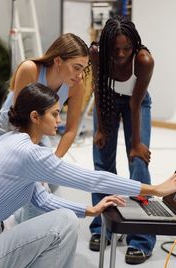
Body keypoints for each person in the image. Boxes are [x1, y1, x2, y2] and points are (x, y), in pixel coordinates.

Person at [0, 82, 176, 268]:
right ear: (35, 117)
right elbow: (92, 180)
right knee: (65, 221)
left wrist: (90, 210)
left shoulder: (10, 139)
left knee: (44, 215)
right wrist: (155, 189)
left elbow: (41, 199)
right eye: (54, 114)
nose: (59, 120)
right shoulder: (29, 153)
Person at [0, 33, 90, 222]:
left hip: (37, 133)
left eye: (83, 69)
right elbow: (21, 122)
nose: (80, 75)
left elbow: (71, 130)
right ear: (58, 60)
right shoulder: (30, 69)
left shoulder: (76, 85)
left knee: (44, 188)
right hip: (9, 131)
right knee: (12, 190)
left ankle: (23, 236)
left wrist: (52, 163)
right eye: (76, 67)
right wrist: (39, 167)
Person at [89, 15, 155, 264]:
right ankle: (101, 227)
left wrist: (137, 144)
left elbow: (135, 102)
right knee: (102, 161)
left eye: (126, 48)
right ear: (106, 45)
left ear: (134, 46)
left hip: (136, 105)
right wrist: (101, 130)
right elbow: (97, 87)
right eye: (115, 49)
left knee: (138, 164)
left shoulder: (143, 60)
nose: (120, 54)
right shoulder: (96, 53)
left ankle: (141, 239)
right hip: (106, 101)